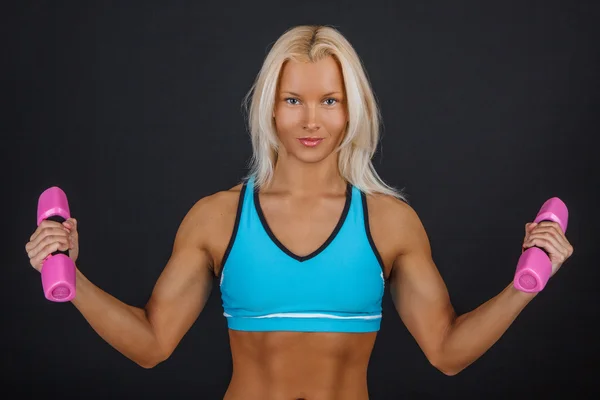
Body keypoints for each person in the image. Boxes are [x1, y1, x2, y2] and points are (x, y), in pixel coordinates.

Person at [24, 25, 573, 400]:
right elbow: (151, 346)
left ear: (352, 109)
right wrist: (70, 276)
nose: (312, 120)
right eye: (293, 100)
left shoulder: (389, 221)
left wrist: (525, 283)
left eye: (329, 101)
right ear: (269, 106)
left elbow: (447, 353)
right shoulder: (217, 217)